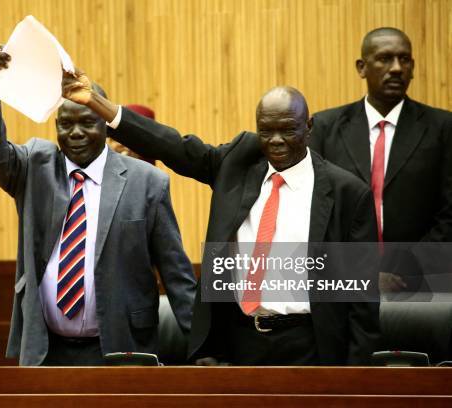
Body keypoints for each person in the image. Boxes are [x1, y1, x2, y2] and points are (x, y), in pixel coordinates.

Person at [62, 72, 380, 365]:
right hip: (241, 342)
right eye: (266, 131)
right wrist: (99, 105)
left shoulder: (347, 194)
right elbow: (173, 147)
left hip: (311, 344)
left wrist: (356, 377)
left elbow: (362, 302)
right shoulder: (239, 163)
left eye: (288, 129)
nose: (276, 141)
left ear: (308, 127)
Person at [0, 47, 196, 366]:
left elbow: (177, 274)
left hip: (120, 344)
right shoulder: (35, 166)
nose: (75, 133)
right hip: (47, 348)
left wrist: (205, 347)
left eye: (87, 123)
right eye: (65, 125)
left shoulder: (147, 182)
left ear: (106, 124)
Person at [309, 27, 452, 297]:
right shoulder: (325, 128)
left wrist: (406, 268)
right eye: (385, 58)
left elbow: (449, 212)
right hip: (345, 286)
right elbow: (316, 212)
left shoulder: (443, 128)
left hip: (423, 285)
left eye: (405, 59)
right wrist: (361, 271)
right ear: (362, 67)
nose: (397, 68)